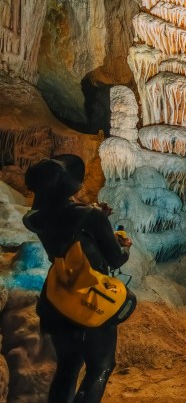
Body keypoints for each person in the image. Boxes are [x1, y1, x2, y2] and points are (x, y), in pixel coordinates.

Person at [23, 154, 132, 403]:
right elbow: (116, 259)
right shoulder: (89, 216)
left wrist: (97, 218)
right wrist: (125, 245)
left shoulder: (36, 218)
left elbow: (67, 228)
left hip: (55, 300)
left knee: (68, 367)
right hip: (89, 299)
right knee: (100, 367)